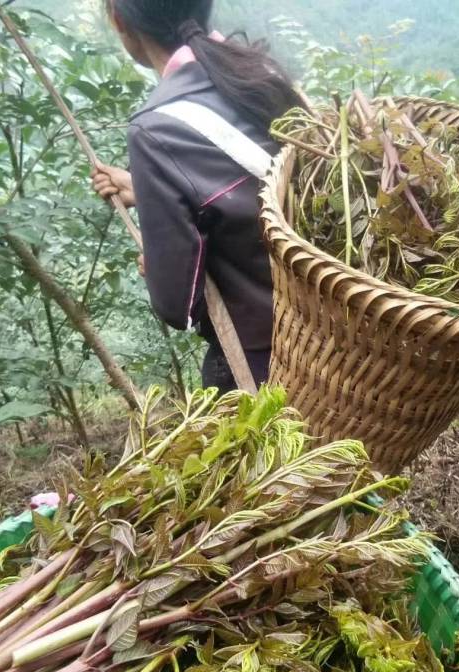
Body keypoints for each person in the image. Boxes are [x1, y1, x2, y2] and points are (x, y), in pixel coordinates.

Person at [92, 0, 302, 392]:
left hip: (263, 356)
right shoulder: (261, 71)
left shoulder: (155, 129)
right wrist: (145, 190)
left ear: (120, 22)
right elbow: (270, 185)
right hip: (334, 326)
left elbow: (178, 305)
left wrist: (159, 265)